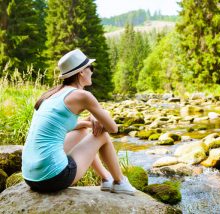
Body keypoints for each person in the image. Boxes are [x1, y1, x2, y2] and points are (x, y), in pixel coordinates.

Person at [22, 49, 136, 195]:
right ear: (81, 72)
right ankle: (119, 181)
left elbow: (57, 126)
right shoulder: (82, 96)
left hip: (31, 177)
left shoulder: (51, 94)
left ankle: (106, 178)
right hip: (54, 178)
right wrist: (100, 116)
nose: (92, 72)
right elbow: (113, 128)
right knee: (102, 135)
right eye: (91, 68)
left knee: (83, 132)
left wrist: (88, 122)